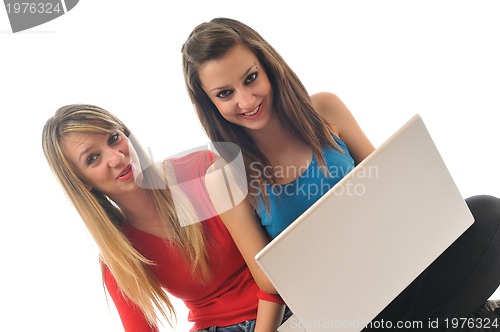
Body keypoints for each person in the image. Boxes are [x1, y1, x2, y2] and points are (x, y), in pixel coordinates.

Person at [181, 17, 500, 330]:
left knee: (488, 213)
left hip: (394, 263)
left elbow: (386, 178)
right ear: (209, 103)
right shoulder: (223, 177)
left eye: (251, 78)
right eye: (225, 94)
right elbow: (267, 279)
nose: (246, 100)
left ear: (268, 67)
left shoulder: (325, 109)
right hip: (337, 304)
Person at [41, 104, 291, 332]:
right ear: (83, 183)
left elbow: (276, 269)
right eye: (93, 159)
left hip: (283, 305)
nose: (116, 158)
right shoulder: (119, 257)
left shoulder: (202, 171)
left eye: (113, 138)